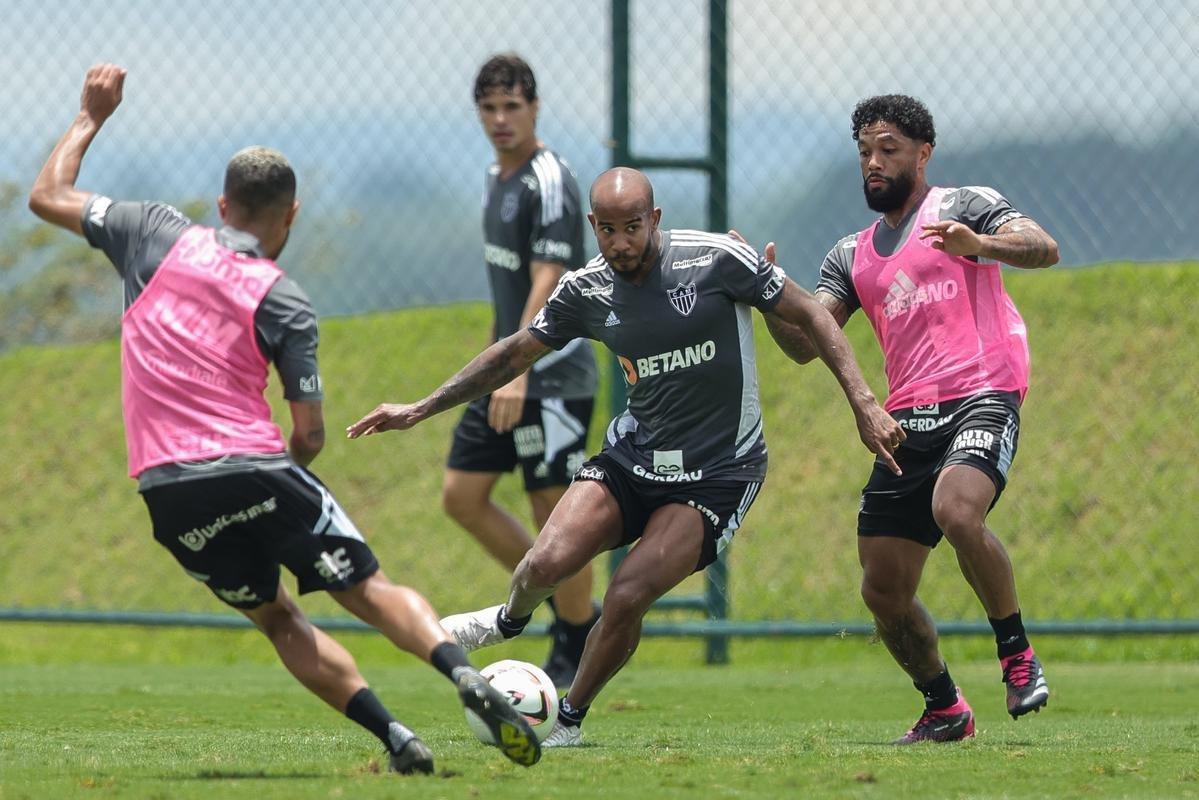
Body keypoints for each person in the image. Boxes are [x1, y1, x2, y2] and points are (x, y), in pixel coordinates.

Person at [28, 63, 540, 773]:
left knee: (277, 617)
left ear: (222, 205)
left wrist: (91, 114)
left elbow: (46, 194)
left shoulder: (149, 230)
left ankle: (396, 739)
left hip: (169, 490)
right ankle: (460, 672)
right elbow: (308, 436)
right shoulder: (284, 298)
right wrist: (274, 480)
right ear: (289, 217)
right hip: (259, 467)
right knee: (367, 589)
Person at [348, 166, 905, 747]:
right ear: (593, 226)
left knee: (627, 594)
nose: (620, 243)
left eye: (632, 228)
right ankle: (506, 621)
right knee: (544, 564)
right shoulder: (584, 289)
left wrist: (864, 404)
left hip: (719, 473)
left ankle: (566, 722)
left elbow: (813, 313)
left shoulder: (716, 259)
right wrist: (421, 407)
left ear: (655, 219)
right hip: (633, 457)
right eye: (608, 230)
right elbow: (513, 354)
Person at [756, 94, 1058, 744]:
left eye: (887, 148)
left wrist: (979, 244)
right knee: (882, 590)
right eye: (865, 150)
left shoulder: (965, 205)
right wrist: (765, 294)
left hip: (985, 390)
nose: (873, 161)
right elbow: (807, 346)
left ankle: (1016, 653)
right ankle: (944, 708)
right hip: (908, 420)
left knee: (956, 510)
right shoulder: (851, 253)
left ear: (922, 153)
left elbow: (1043, 247)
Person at [441, 54, 600, 688]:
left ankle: (577, 633)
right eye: (489, 108)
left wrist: (517, 370)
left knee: (552, 513)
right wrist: (492, 364)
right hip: (505, 368)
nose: (501, 120)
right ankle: (557, 607)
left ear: (534, 108)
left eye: (512, 107)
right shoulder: (495, 178)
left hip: (551, 376)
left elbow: (550, 275)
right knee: (461, 496)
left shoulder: (549, 178)